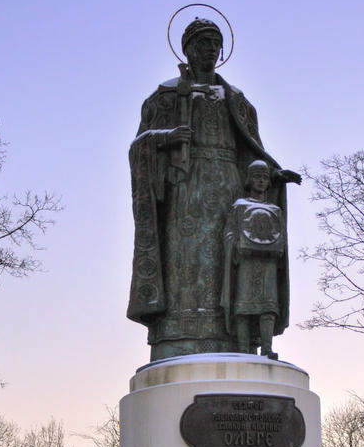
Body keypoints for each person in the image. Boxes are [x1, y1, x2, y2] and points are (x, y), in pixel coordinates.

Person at [127, 18, 300, 361]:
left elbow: (252, 153)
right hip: (185, 192)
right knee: (187, 260)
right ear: (188, 50)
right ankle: (180, 332)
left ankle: (237, 335)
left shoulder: (237, 101)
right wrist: (167, 138)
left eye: (215, 45)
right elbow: (139, 147)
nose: (209, 50)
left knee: (230, 259)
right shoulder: (164, 98)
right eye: (202, 44)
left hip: (229, 192)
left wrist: (274, 176)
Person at [222, 161, 286, 360]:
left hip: (268, 264)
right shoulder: (240, 206)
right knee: (244, 307)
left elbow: (281, 235)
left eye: (265, 178)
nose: (261, 181)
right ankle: (242, 349)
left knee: (268, 307)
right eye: (257, 177)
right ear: (249, 180)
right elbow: (229, 232)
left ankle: (267, 348)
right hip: (246, 263)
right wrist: (235, 245)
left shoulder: (274, 209)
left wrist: (278, 248)